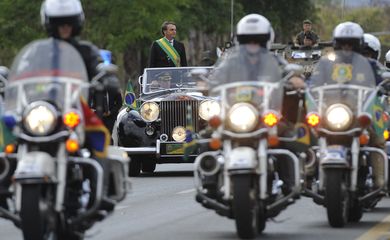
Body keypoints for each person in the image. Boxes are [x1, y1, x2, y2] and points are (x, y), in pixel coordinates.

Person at [211, 13, 305, 196]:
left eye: (257, 40)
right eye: (248, 40)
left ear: (265, 41)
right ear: (240, 41)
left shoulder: (274, 60)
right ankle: (210, 181)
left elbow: (291, 73)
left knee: (288, 136)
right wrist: (205, 83)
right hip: (235, 114)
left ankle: (289, 183)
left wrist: (295, 80)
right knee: (208, 136)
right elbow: (216, 77)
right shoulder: (231, 62)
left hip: (266, 114)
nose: (252, 45)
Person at [41, 0, 122, 135]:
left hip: (79, 109)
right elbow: (24, 73)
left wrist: (108, 78)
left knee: (100, 140)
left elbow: (99, 66)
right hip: (46, 108)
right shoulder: (41, 52)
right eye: (60, 23)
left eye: (69, 22)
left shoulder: (87, 50)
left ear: (76, 23)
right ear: (51, 24)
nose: (65, 27)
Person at [331, 21, 385, 190]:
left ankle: (380, 179)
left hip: (362, 113)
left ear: (358, 45)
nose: (347, 48)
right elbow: (313, 81)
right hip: (334, 113)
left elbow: (383, 78)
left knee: (378, 137)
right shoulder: (328, 64)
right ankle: (309, 173)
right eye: (342, 44)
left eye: (351, 44)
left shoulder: (371, 65)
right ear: (336, 44)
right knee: (311, 131)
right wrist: (303, 85)